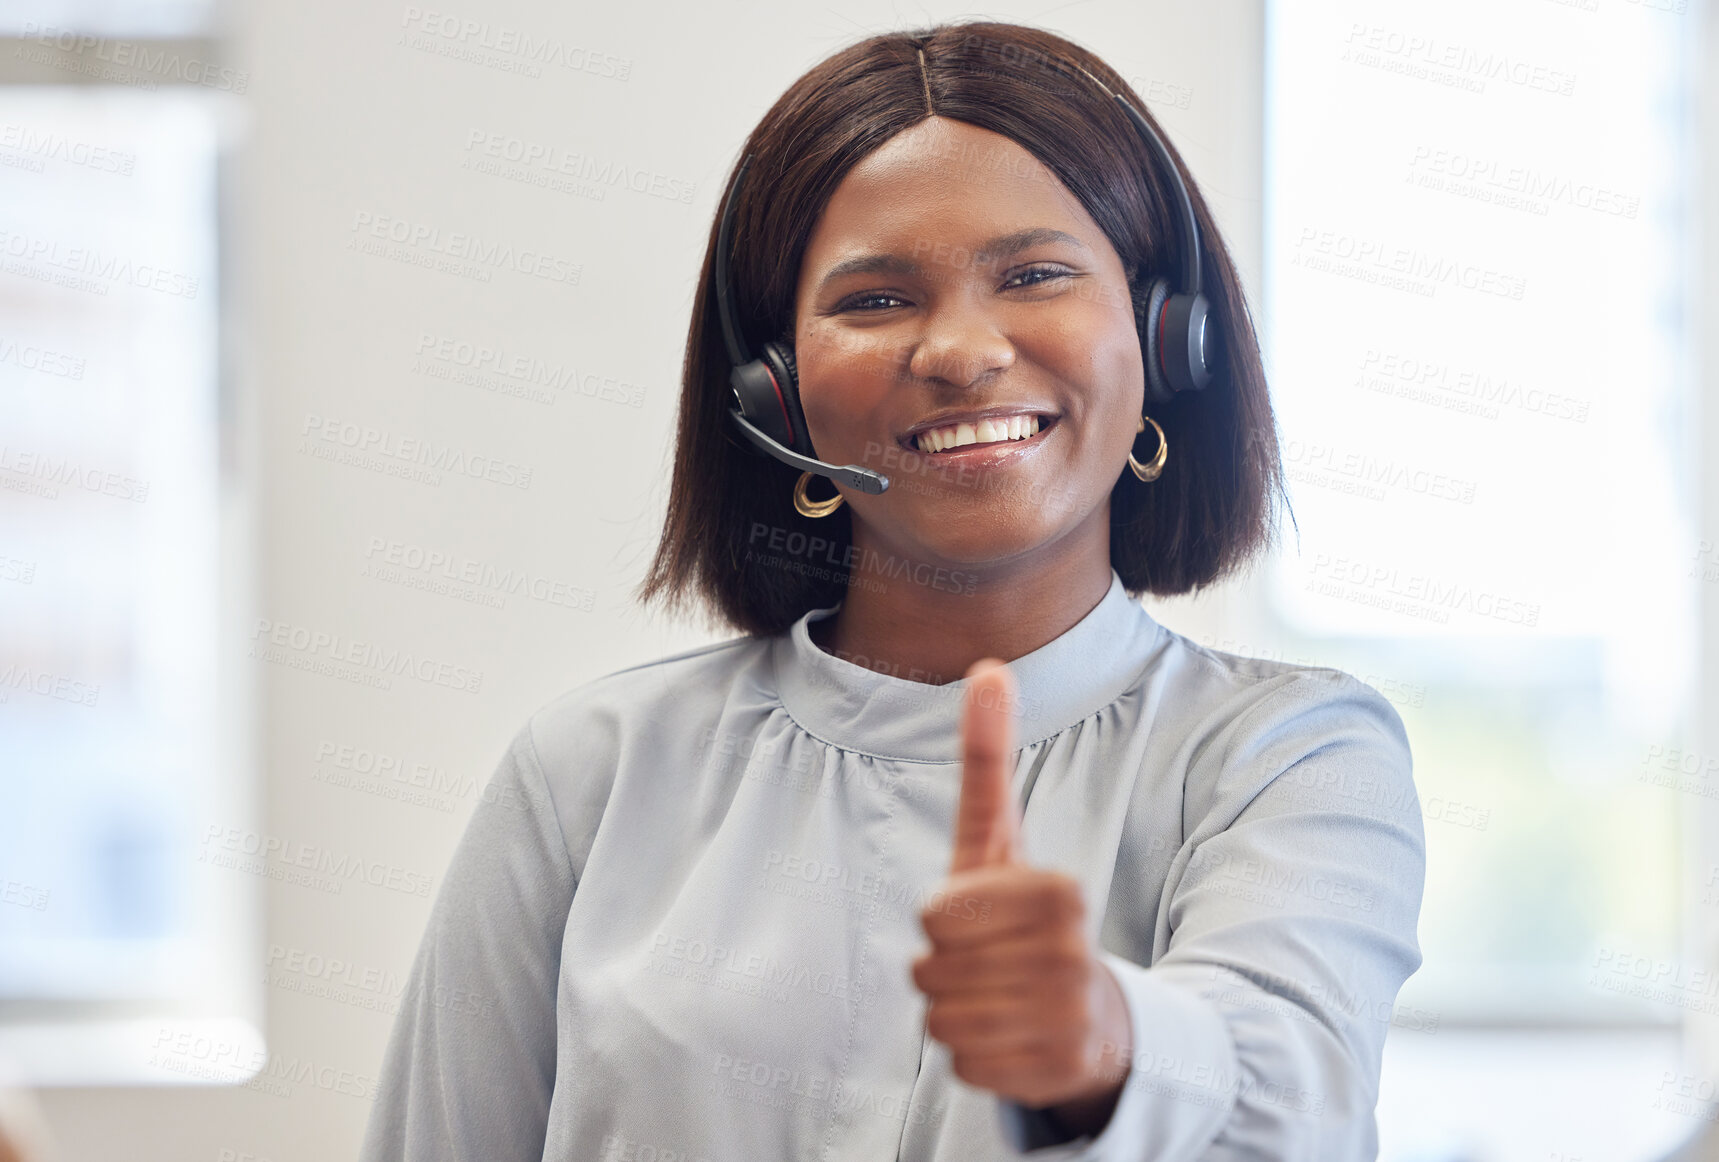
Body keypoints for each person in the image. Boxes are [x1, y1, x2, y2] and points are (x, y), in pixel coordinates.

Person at [359, 20, 1425, 1162]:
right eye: (874, 299)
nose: (961, 351)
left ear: (1167, 338)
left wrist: (1104, 1041)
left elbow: (1296, 1102)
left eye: (1034, 274)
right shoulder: (590, 772)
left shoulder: (1292, 755)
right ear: (772, 392)